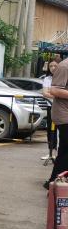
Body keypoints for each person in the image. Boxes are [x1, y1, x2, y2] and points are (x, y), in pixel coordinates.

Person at [48, 57, 68, 188]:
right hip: (64, 115)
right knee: (66, 151)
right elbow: (54, 90)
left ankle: (54, 182)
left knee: (65, 151)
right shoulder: (65, 66)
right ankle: (55, 182)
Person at [42, 58, 60, 163]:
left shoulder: (63, 77)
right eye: (51, 66)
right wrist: (57, 94)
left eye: (55, 66)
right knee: (50, 130)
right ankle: (51, 152)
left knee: (61, 130)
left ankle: (60, 152)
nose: (53, 68)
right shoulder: (47, 79)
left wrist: (51, 91)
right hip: (51, 106)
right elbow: (45, 93)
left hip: (62, 108)